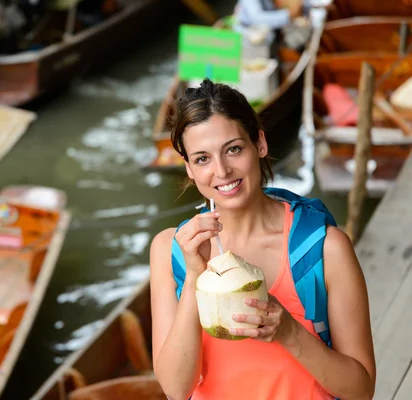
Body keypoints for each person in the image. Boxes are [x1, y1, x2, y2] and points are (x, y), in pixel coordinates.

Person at [149, 78, 376, 400]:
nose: (222, 170)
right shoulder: (169, 250)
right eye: (202, 158)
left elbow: (361, 389)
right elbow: (175, 388)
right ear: (188, 169)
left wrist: (289, 332)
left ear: (260, 144)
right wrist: (195, 276)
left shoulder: (326, 248)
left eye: (233, 149)